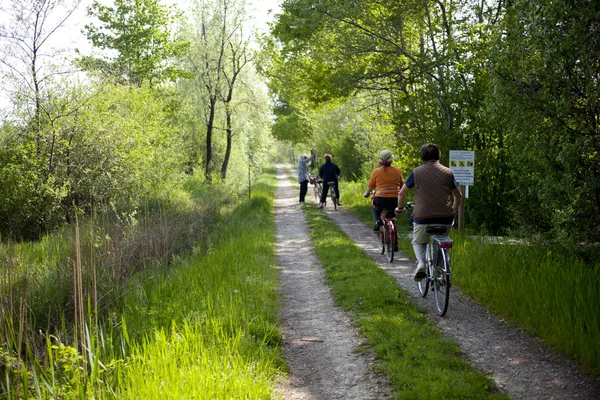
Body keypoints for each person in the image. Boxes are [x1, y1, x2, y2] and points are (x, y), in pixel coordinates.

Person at [395, 143, 462, 281]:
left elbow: (402, 194)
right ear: (439, 155)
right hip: (445, 218)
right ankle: (442, 269)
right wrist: (454, 210)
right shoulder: (448, 172)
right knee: (441, 241)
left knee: (418, 242)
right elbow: (458, 196)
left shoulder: (416, 172)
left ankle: (421, 263)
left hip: (423, 218)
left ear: (422, 157)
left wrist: (400, 208)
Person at [363, 150, 404, 250]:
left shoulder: (376, 171)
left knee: (375, 207)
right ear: (391, 160)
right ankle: (395, 244)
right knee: (392, 216)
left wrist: (367, 193)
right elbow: (402, 185)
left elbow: (371, 185)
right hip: (394, 199)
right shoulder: (397, 171)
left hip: (380, 199)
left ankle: (378, 222)